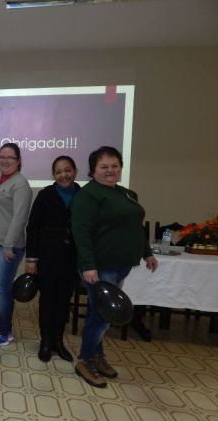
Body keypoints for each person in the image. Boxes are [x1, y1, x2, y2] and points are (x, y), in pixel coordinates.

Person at [72, 146, 158, 388]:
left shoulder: (127, 194)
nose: (110, 171)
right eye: (104, 167)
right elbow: (81, 231)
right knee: (102, 317)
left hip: (121, 265)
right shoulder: (88, 195)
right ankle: (85, 360)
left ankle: (97, 356)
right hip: (100, 267)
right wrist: (89, 265)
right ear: (93, 170)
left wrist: (147, 252)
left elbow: (135, 227)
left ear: (121, 167)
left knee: (100, 313)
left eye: (115, 166)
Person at [25, 156, 80, 362]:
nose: (63, 175)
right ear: (53, 175)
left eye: (67, 170)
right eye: (58, 172)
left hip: (72, 258)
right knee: (47, 300)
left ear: (75, 171)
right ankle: (46, 342)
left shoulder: (83, 195)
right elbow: (32, 228)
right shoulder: (45, 195)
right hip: (47, 257)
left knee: (64, 301)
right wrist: (31, 259)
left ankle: (58, 340)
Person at [0, 143, 33, 349]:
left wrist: (9, 245)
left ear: (18, 161)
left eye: (10, 157)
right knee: (0, 287)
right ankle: (3, 329)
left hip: (7, 247)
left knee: (3, 289)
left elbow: (19, 218)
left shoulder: (20, 184)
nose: (5, 160)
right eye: (1, 156)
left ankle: (2, 333)